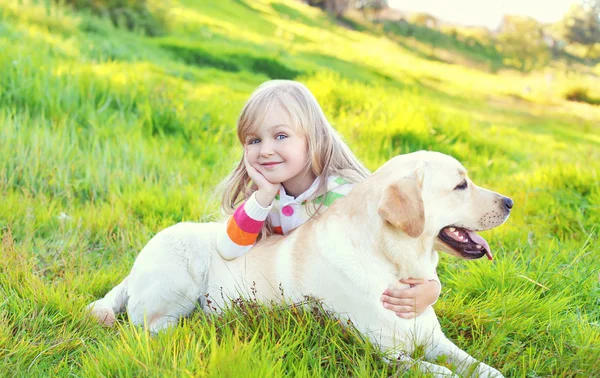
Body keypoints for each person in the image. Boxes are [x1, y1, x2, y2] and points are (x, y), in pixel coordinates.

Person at [216, 80, 440, 319]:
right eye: (254, 140)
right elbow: (228, 249)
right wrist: (263, 197)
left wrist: (431, 288)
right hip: (298, 302)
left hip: (354, 303)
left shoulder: (346, 196)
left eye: (281, 136)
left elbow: (404, 248)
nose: (265, 150)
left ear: (313, 138)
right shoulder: (263, 201)